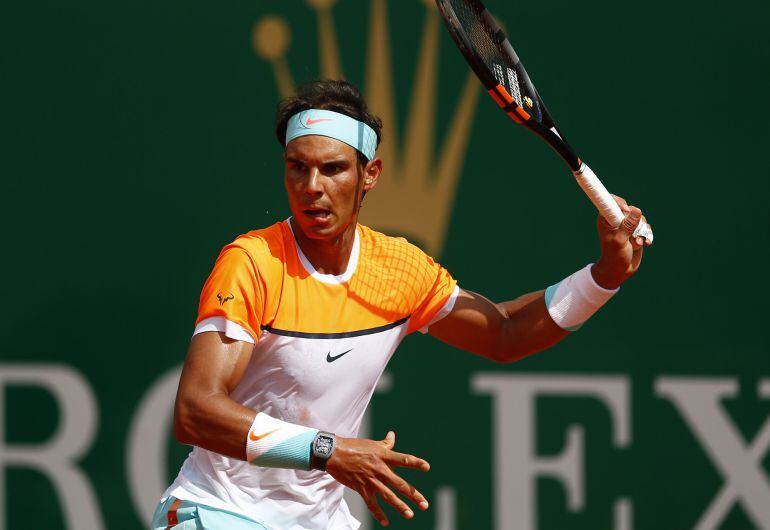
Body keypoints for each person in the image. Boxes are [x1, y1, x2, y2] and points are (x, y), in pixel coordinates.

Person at [151, 79, 648, 530]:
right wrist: (327, 451)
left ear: (370, 175)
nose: (312, 188)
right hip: (221, 510)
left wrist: (604, 275)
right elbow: (196, 411)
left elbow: (504, 333)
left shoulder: (399, 269)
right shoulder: (253, 262)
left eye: (333, 169)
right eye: (297, 168)